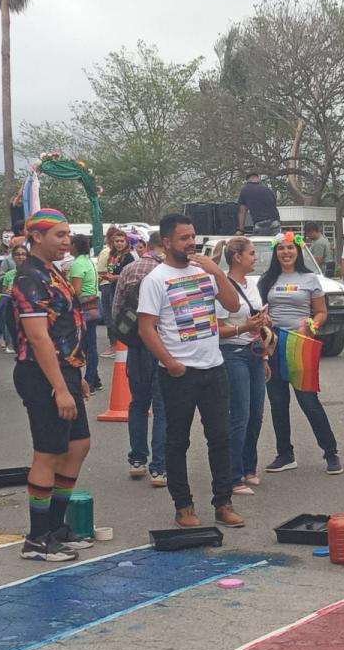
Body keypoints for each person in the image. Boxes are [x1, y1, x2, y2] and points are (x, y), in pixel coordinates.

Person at [137, 213, 244, 529]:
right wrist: (170, 362)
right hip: (179, 373)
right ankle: (183, 506)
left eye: (193, 236)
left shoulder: (205, 272)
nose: (191, 243)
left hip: (214, 368)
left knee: (220, 438)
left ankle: (223, 503)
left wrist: (217, 272)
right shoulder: (156, 279)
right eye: (184, 238)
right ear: (167, 242)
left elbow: (233, 306)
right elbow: (146, 328)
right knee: (177, 440)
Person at [11, 208, 93, 562]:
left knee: (78, 446)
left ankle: (57, 527)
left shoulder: (54, 273)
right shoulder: (29, 278)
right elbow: (39, 339)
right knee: (49, 452)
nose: (66, 240)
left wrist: (79, 376)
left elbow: (68, 328)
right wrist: (60, 387)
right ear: (37, 237)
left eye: (67, 234)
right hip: (41, 374)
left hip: (67, 371)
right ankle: (37, 538)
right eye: (59, 234)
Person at [259, 232, 343, 475]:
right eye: (281, 249)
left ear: (299, 251)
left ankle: (330, 453)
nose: (286, 252)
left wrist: (310, 326)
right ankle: (285, 454)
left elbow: (321, 313)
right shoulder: (267, 280)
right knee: (278, 403)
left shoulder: (309, 278)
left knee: (308, 401)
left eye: (290, 248)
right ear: (276, 253)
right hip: (272, 343)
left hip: (300, 343)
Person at [217, 237, 270, 495]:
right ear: (236, 257)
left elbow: (256, 318)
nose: (255, 257)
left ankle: (250, 467)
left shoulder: (253, 284)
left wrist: (261, 323)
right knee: (240, 414)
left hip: (254, 352)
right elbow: (217, 329)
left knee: (256, 414)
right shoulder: (223, 286)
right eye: (251, 253)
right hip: (233, 352)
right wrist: (244, 327)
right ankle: (233, 476)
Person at [113, 232, 167, 486]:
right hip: (163, 343)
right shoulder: (166, 271)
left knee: (138, 403)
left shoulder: (129, 269)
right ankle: (160, 466)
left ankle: (137, 459)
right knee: (162, 406)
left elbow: (115, 308)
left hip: (136, 344)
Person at [69, 234, 102, 392]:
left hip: (83, 307)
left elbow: (75, 291)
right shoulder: (88, 261)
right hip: (94, 304)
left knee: (87, 346)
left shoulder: (78, 264)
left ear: (75, 245)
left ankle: (89, 380)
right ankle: (94, 378)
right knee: (90, 344)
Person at [96, 226, 124, 357]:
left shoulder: (106, 252)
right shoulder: (116, 254)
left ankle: (114, 346)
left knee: (109, 316)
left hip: (107, 285)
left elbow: (102, 270)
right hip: (112, 285)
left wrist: (101, 277)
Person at [2, 244, 29, 354]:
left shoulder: (32, 274)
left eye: (23, 254)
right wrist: (7, 293)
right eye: (17, 255)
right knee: (15, 336)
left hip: (27, 309)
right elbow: (3, 292)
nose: (20, 257)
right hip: (11, 309)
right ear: (13, 257)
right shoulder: (8, 275)